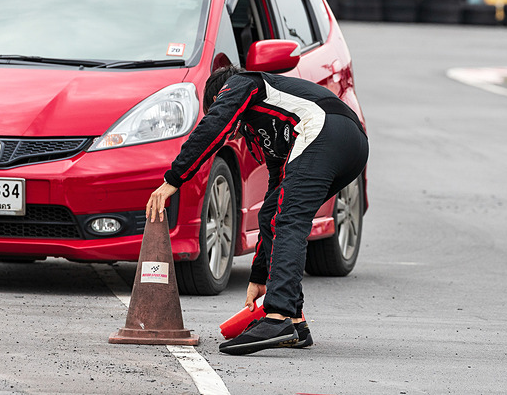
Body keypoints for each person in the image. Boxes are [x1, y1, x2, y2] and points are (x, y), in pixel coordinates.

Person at [146, 66, 368, 356]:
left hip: (326, 129)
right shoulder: (263, 130)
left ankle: (278, 317)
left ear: (220, 96)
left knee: (288, 218)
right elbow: (273, 200)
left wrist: (174, 180)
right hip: (350, 145)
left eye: (218, 106)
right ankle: (296, 323)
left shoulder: (243, 83)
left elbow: (213, 126)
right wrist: (259, 277)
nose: (234, 130)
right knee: (276, 211)